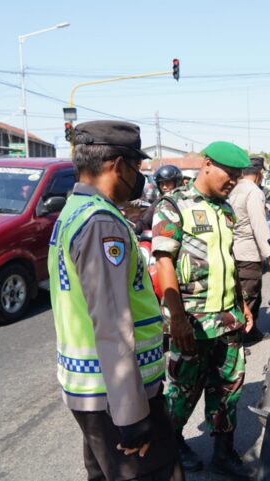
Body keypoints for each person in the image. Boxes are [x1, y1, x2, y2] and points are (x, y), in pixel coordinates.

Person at [47, 120, 182, 481]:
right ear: (118, 165)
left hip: (95, 389)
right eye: (137, 167)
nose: (139, 177)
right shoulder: (102, 223)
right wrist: (132, 415)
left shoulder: (75, 210)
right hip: (117, 394)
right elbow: (111, 322)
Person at [151, 141, 255, 480]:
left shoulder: (225, 210)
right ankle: (172, 445)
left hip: (228, 320)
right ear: (207, 164)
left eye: (239, 176)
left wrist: (242, 304)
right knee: (181, 389)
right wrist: (177, 319)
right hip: (191, 322)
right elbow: (164, 262)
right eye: (230, 174)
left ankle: (223, 452)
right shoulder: (174, 205)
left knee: (229, 388)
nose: (234, 181)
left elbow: (229, 262)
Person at [229, 157, 270, 345]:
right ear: (259, 174)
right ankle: (241, 339)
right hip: (248, 253)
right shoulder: (253, 191)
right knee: (249, 296)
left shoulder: (233, 188)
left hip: (232, 250)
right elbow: (259, 226)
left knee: (240, 295)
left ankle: (250, 333)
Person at [133, 165, 183, 235]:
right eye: (161, 184)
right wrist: (133, 231)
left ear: (177, 182)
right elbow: (144, 222)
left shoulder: (186, 201)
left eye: (168, 183)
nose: (164, 187)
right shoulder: (159, 203)